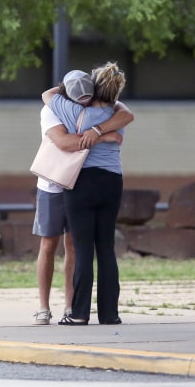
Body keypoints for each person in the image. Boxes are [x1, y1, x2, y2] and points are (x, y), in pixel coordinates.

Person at [32, 70, 132, 325]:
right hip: (104, 181)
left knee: (82, 248)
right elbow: (124, 122)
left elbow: (46, 95)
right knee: (105, 248)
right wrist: (103, 133)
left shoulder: (70, 109)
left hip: (82, 182)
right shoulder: (114, 113)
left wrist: (94, 132)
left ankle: (77, 312)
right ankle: (109, 314)